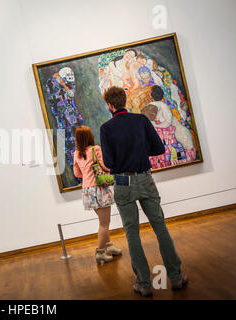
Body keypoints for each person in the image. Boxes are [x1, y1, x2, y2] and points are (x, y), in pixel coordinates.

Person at [99, 86, 188, 297]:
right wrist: (139, 149)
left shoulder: (106, 128)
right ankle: (176, 277)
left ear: (110, 105)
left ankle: (144, 283)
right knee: (160, 227)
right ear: (124, 101)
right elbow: (159, 148)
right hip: (145, 178)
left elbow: (110, 162)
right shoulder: (140, 120)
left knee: (132, 234)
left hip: (122, 181)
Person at [73, 126, 122, 264]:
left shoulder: (76, 153)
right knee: (104, 223)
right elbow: (105, 166)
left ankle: (109, 246)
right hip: (99, 189)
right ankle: (100, 252)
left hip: (87, 191)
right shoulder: (96, 149)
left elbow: (77, 174)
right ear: (90, 137)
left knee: (103, 222)